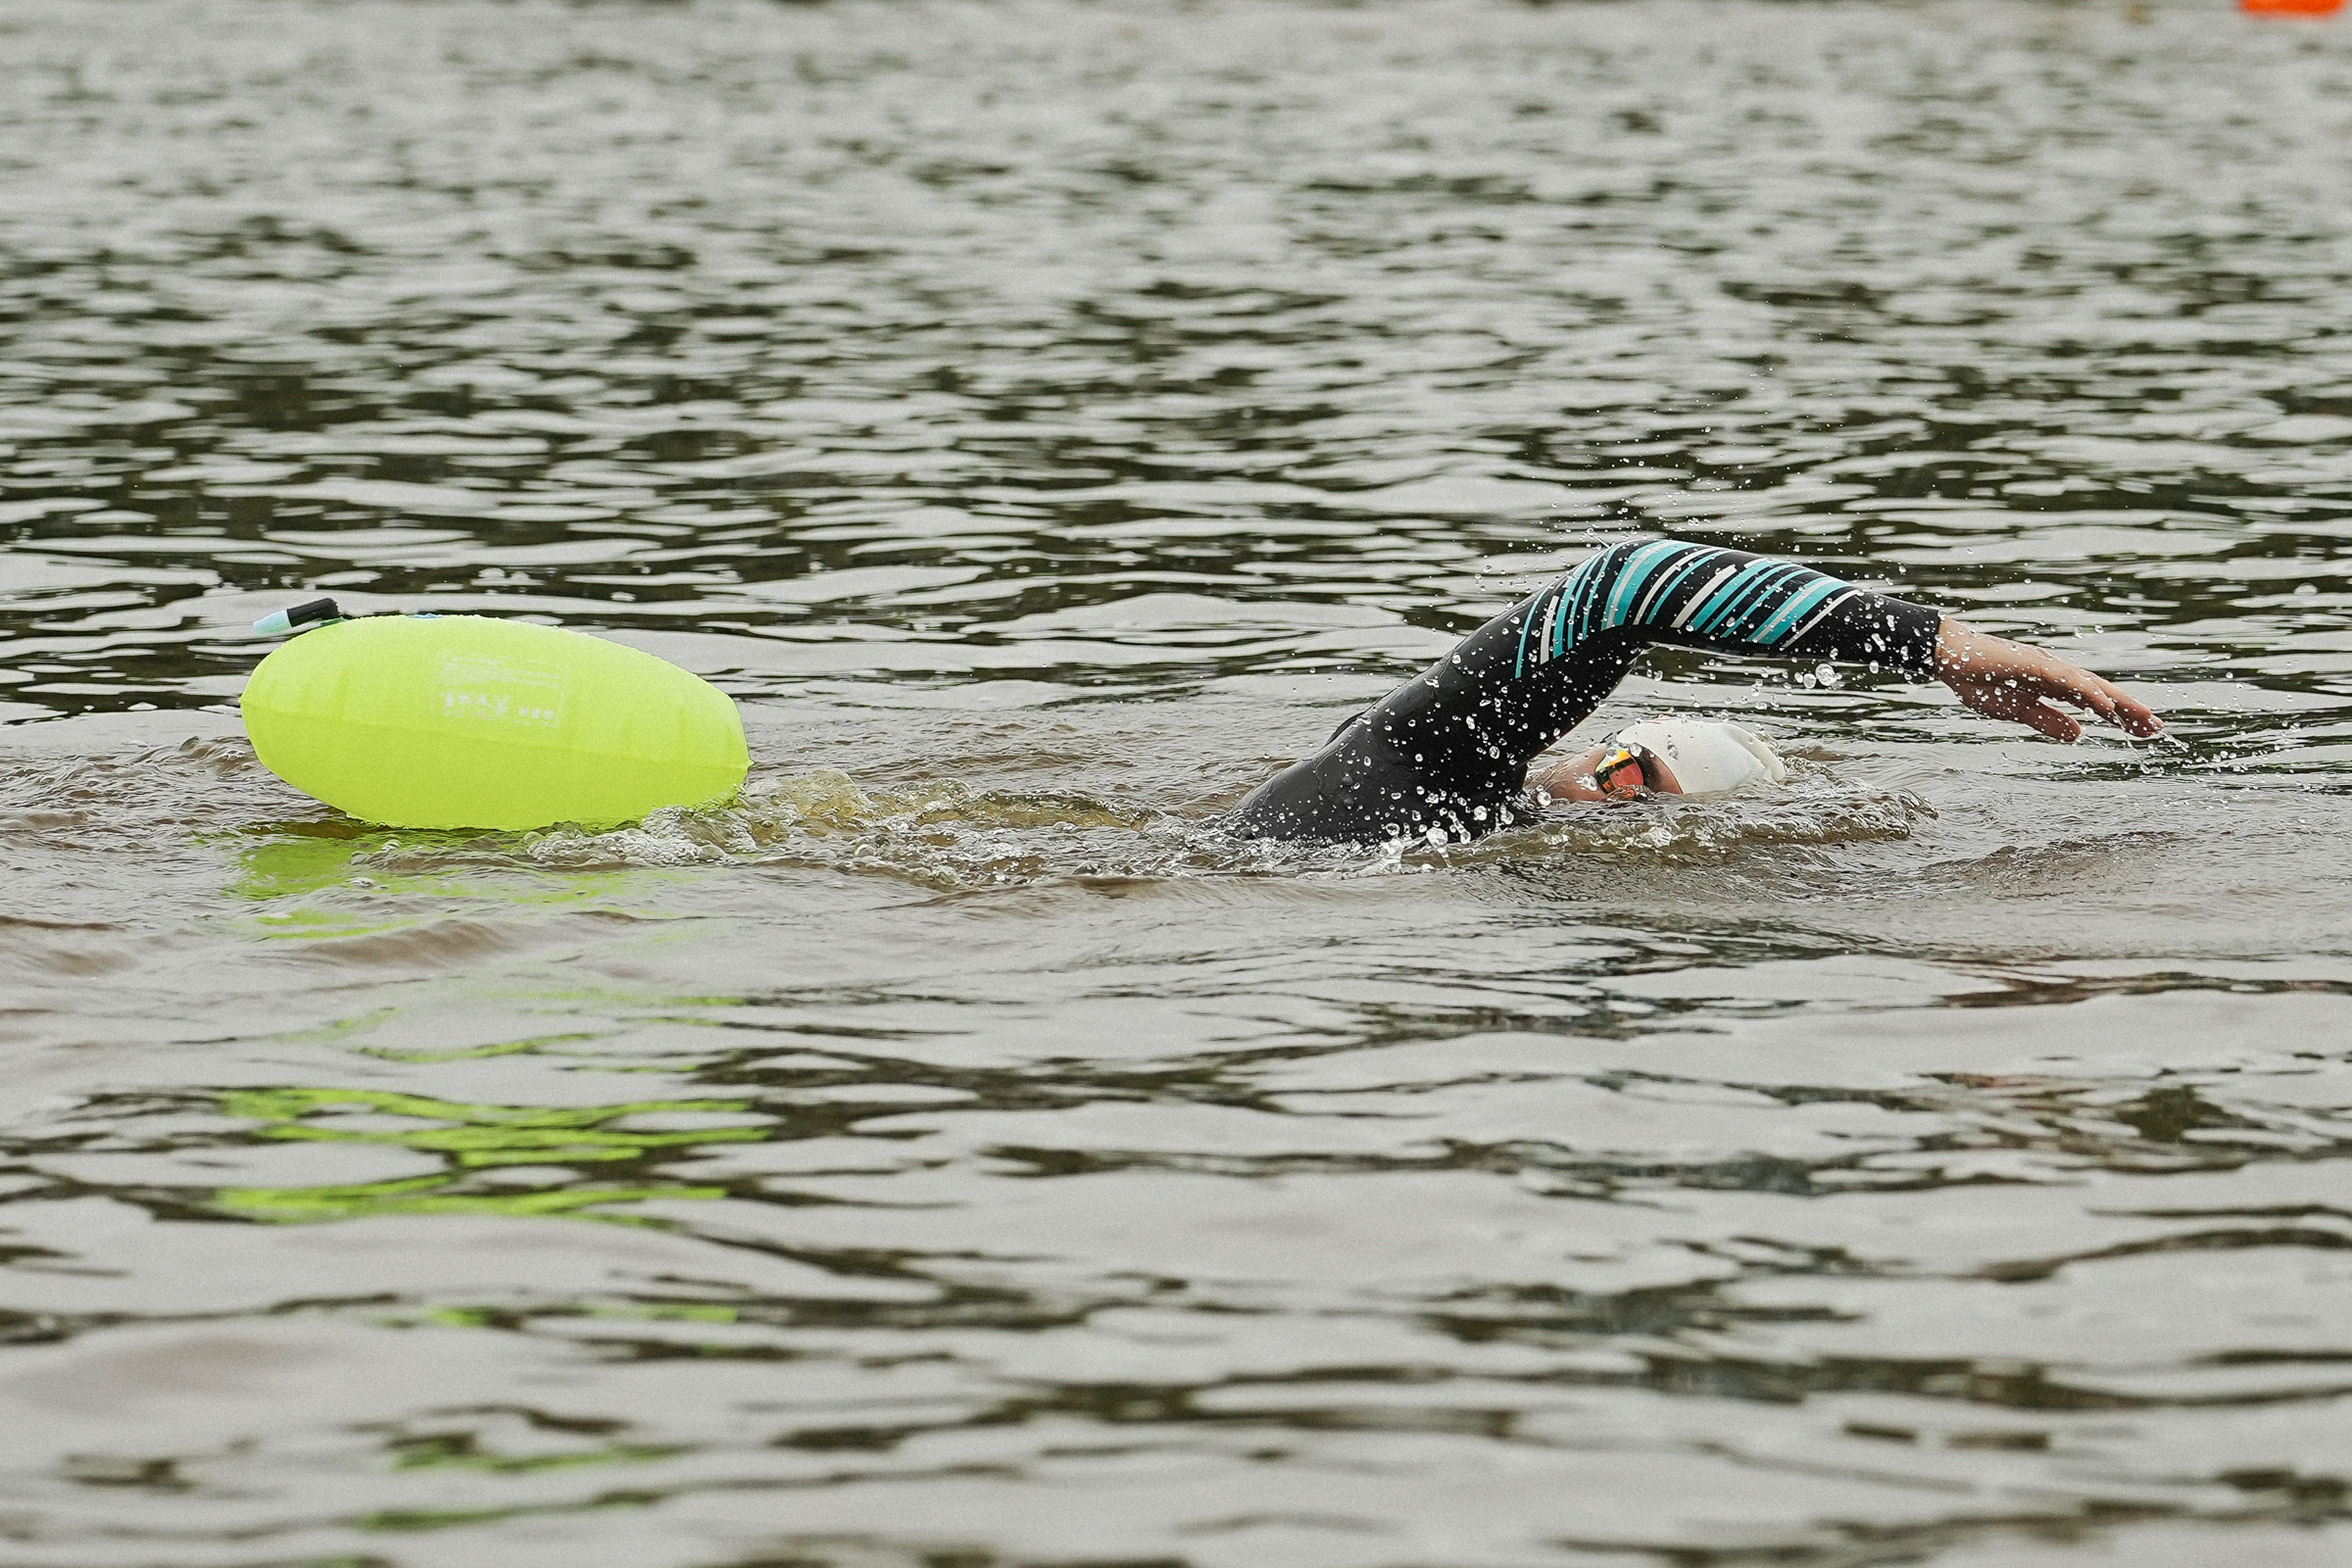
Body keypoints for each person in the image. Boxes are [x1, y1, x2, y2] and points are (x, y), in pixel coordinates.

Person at [1227, 537, 2163, 845]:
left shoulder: (1493, 833)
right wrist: (1942, 647)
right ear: (1595, 742)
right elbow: (1629, 584)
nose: (1611, 795)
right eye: (1627, 766)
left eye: (1644, 801)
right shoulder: (1421, 764)